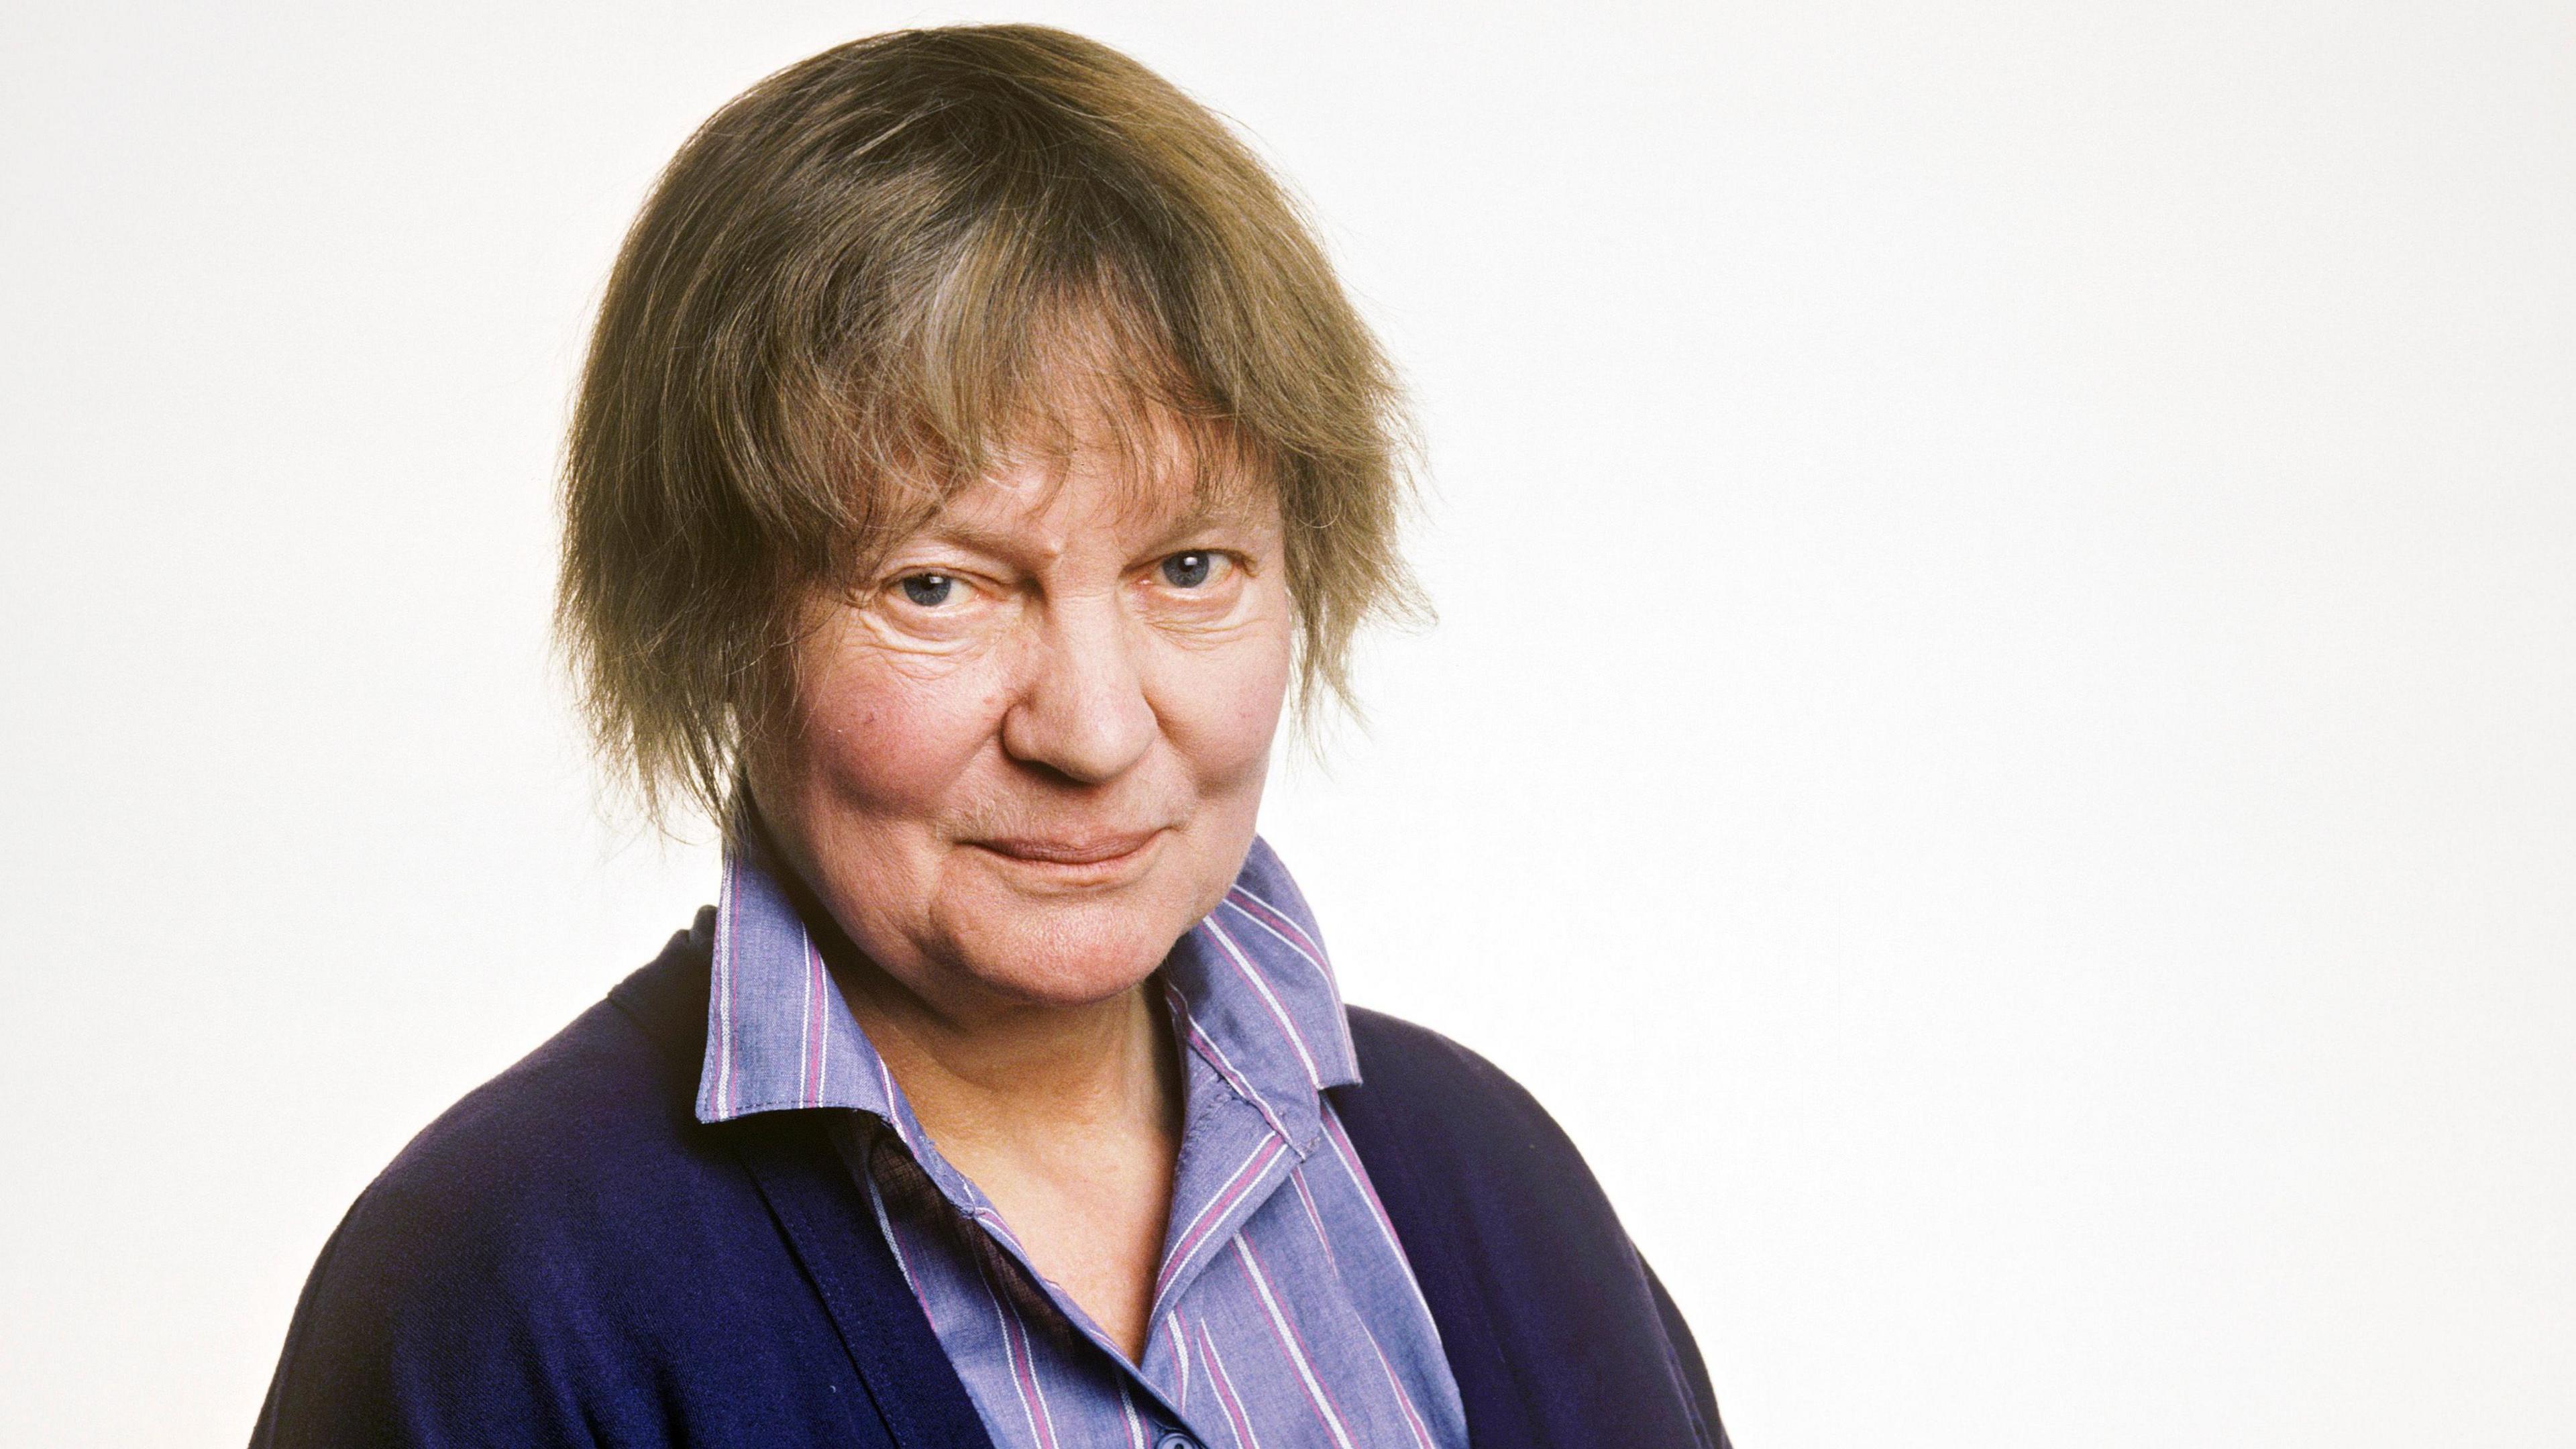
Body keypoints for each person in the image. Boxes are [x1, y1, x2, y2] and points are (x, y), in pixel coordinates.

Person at [252, 24, 1728, 1449]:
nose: (1090, 730)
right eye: (939, 585)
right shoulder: (499, 1292)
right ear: (703, 616)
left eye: (1190, 566)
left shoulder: (1487, 1183)